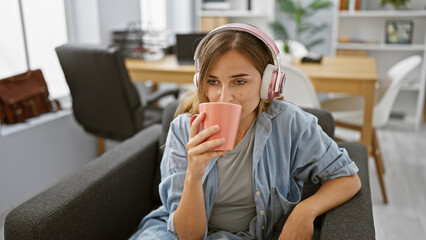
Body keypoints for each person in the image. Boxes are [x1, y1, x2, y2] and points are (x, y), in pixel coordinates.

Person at [130, 23, 361, 240]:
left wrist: (306, 210)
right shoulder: (183, 130)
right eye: (213, 81)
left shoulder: (290, 124)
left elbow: (347, 178)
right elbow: (188, 236)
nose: (224, 96)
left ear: (268, 83)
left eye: (239, 82)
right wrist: (194, 174)